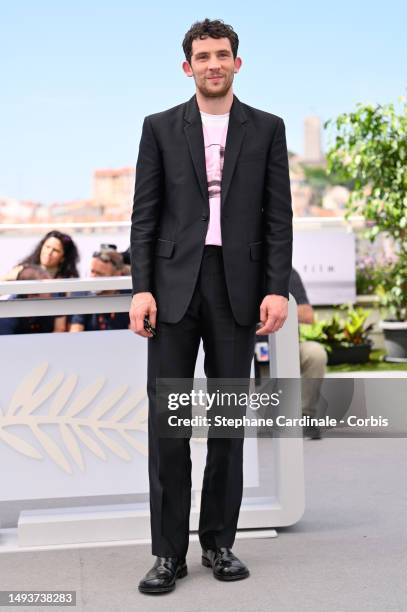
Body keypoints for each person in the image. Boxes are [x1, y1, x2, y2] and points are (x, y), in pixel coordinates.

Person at [129, 18, 293, 594]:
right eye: (203, 56)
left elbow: (279, 217)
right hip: (172, 291)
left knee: (227, 424)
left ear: (237, 63)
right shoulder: (159, 128)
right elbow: (144, 215)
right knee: (169, 426)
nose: (213, 64)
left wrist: (277, 287)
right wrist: (140, 286)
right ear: (188, 67)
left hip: (238, 291)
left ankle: (220, 543)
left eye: (222, 55)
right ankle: (167, 554)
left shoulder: (267, 129)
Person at [256, 267, 328, 439]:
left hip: (287, 348)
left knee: (315, 353)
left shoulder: (285, 273)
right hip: (250, 352)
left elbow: (308, 314)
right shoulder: (233, 270)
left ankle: (305, 417)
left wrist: (277, 308)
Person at [1, 230, 80, 332]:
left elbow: (60, 327)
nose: (49, 253)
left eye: (55, 250)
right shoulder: (23, 270)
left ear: (63, 258)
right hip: (13, 327)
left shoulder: (64, 284)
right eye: (47, 247)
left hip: (43, 336)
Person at [69, 250, 130, 332]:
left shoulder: (128, 297)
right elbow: (75, 332)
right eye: (92, 271)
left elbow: (135, 335)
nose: (93, 277)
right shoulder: (82, 294)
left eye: (100, 274)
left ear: (117, 275)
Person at [0, 265, 57, 335]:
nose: (54, 291)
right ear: (32, 294)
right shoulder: (7, 316)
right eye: (48, 288)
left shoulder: (53, 305)